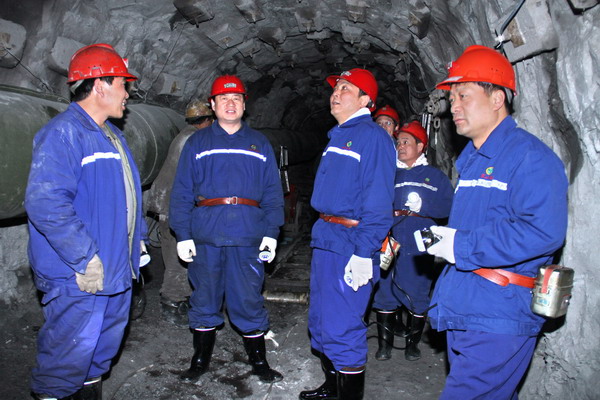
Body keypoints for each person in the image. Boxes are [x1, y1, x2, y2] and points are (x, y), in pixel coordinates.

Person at [426, 45, 568, 399]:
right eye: (451, 98)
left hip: (499, 313)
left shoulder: (530, 157)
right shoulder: (473, 160)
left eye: (463, 95)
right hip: (466, 304)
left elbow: (542, 230)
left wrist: (460, 245)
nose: (453, 106)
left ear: (497, 98)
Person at [25, 43, 147, 400]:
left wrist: (136, 240)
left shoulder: (112, 136)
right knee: (65, 363)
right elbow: (46, 202)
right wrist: (84, 257)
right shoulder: (63, 134)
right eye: (122, 84)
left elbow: (126, 196)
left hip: (115, 270)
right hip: (81, 277)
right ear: (99, 86)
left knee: (98, 357)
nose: (127, 94)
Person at [169, 75, 285, 384]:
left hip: (248, 234)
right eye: (223, 98)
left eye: (236, 98)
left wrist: (271, 233)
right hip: (207, 234)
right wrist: (183, 234)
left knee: (248, 298)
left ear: (245, 104)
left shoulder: (259, 143)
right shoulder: (198, 143)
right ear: (213, 104)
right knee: (204, 298)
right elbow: (182, 192)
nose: (230, 103)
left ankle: (259, 361)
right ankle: (200, 360)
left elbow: (273, 193)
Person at [300, 68, 396, 400]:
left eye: (345, 88)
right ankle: (332, 388)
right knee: (322, 322)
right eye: (335, 88)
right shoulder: (339, 135)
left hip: (350, 243)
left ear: (365, 100)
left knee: (343, 326)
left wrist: (363, 253)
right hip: (327, 238)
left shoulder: (373, 138)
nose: (336, 94)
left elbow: (379, 203)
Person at [371, 121, 453, 362]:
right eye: (398, 142)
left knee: (418, 291)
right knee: (384, 289)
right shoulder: (389, 174)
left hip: (421, 240)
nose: (400, 146)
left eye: (406, 142)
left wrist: (424, 206)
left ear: (420, 146)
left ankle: (412, 345)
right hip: (390, 238)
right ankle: (385, 346)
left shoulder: (435, 176)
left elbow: (449, 207)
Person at [146, 98, 214, 326]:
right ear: (206, 120)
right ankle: (172, 302)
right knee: (179, 258)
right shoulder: (194, 140)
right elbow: (196, 179)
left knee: (176, 254)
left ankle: (180, 299)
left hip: (166, 203)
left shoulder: (184, 135)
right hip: (174, 207)